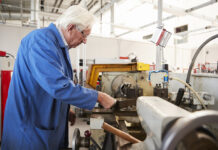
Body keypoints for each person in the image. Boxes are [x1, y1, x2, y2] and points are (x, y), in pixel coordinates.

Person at [2, 5, 116, 150]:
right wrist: (99, 97)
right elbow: (58, 86)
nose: (85, 40)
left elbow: (49, 84)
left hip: (45, 122)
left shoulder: (58, 45)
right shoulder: (40, 42)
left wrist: (64, 109)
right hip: (29, 131)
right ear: (70, 27)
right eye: (84, 35)